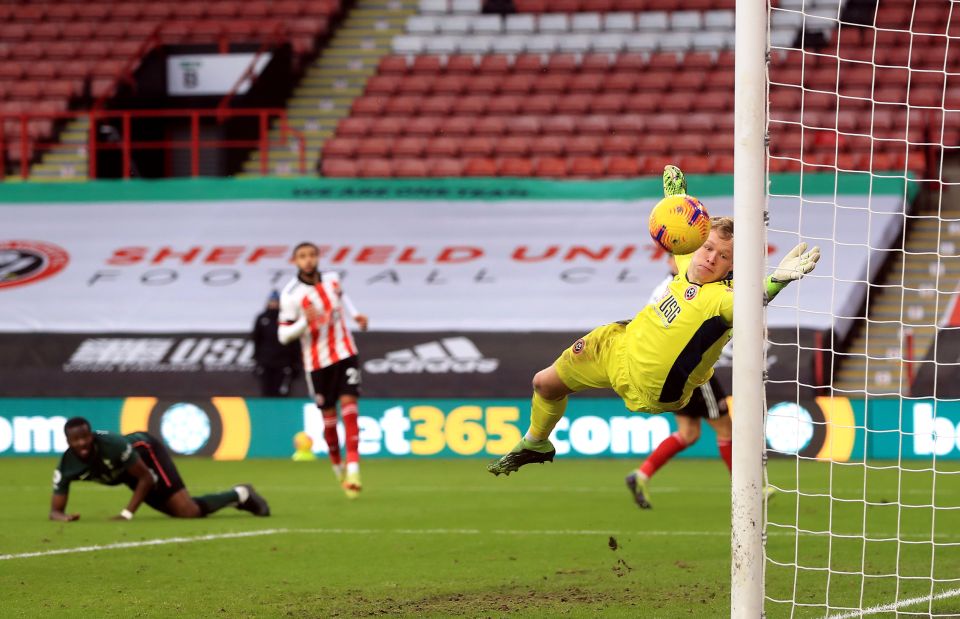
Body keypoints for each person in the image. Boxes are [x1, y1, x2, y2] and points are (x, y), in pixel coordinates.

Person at [487, 165, 821, 477]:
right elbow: (679, 229)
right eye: (708, 248)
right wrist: (675, 201)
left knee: (706, 427)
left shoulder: (721, 299)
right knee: (544, 383)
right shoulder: (688, 255)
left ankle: (748, 486)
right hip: (617, 347)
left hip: (653, 389)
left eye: (724, 257)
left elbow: (751, 302)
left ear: (732, 269)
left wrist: (776, 281)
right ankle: (536, 442)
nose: (711, 258)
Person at [278, 242, 369, 499]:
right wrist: (305, 322)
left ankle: (353, 470)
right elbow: (284, 335)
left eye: (311, 255)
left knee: (350, 410)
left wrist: (355, 315)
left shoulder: (332, 279)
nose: (308, 260)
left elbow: (343, 296)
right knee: (329, 422)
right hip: (317, 363)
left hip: (345, 352)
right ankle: (338, 467)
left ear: (318, 258)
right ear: (295, 261)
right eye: (302, 257)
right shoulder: (291, 294)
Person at [49, 417, 270, 521]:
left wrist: (127, 514)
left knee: (188, 512)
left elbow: (145, 477)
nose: (82, 444)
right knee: (183, 512)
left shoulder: (112, 445)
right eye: (75, 440)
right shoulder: (68, 465)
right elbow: (55, 511)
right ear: (68, 442)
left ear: (92, 435)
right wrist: (63, 517)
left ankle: (241, 493)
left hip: (145, 454)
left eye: (85, 437)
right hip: (129, 473)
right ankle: (240, 497)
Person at [252, 289, 301, 397]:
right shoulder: (262, 319)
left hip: (284, 363)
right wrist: (257, 360)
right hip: (266, 362)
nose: (274, 304)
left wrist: (295, 363)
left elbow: (295, 342)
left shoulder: (288, 318)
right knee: (267, 391)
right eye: (272, 301)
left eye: (276, 301)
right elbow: (256, 340)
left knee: (282, 392)